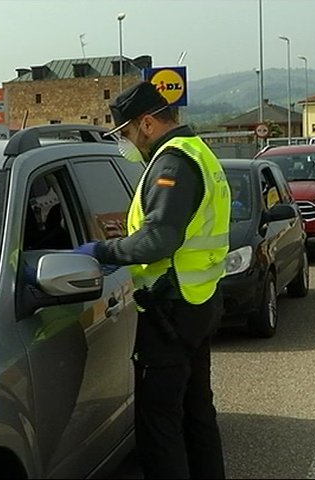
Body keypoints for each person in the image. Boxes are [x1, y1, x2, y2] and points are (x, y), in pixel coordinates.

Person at [73, 81, 230, 479]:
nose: (126, 143)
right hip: (199, 300)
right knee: (196, 413)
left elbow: (159, 238)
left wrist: (103, 252)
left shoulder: (172, 162)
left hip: (171, 309)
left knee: (159, 425)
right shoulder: (197, 152)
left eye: (125, 133)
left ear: (145, 123)